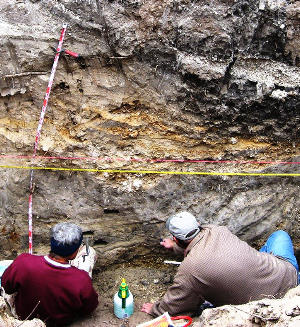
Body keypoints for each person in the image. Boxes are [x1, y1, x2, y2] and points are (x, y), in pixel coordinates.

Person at [141, 211, 299, 317]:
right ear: (198, 224)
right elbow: (196, 244)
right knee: (279, 235)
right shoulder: (217, 230)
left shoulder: (190, 271)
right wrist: (175, 247)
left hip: (266, 306)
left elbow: (174, 306)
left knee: (203, 301)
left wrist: (156, 309)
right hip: (286, 273)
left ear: (176, 239)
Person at [1, 222, 99, 326]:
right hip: (60, 323)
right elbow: (89, 307)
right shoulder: (81, 279)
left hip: (24, 317)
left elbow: (7, 287)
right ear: (75, 252)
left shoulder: (23, 262)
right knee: (89, 252)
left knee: (12, 277)